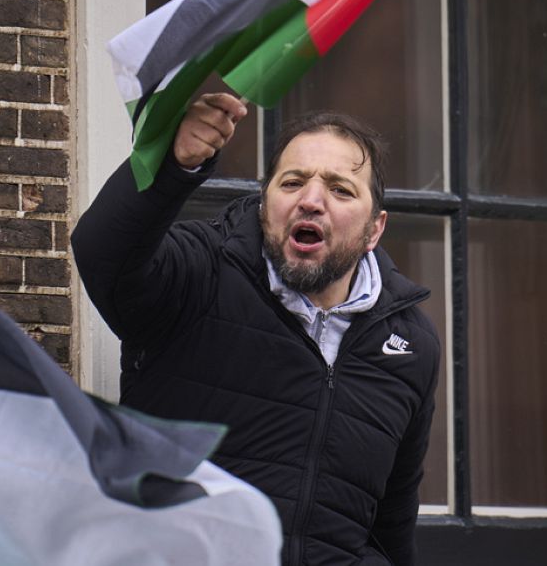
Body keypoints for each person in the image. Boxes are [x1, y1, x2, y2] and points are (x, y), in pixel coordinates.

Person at [71, 93, 440, 566]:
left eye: (341, 189)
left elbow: (393, 522)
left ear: (374, 229)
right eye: (292, 182)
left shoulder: (410, 344)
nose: (311, 200)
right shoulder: (200, 271)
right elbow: (102, 253)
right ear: (265, 205)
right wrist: (173, 166)